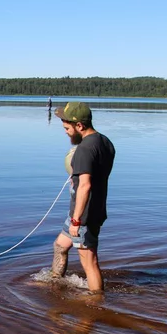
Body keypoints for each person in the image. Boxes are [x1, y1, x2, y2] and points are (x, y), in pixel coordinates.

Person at [51, 102, 115, 292]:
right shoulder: (104, 141)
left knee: (89, 262)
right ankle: (55, 281)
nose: (66, 133)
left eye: (67, 128)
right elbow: (93, 177)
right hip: (88, 209)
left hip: (84, 215)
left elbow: (85, 185)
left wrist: (77, 221)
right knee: (60, 246)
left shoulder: (84, 149)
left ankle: (96, 300)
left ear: (79, 125)